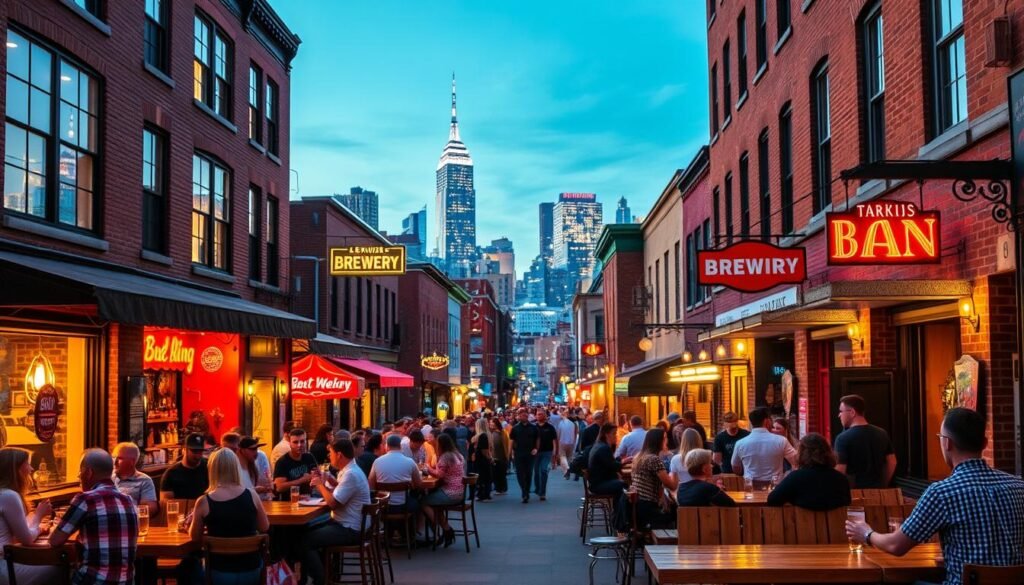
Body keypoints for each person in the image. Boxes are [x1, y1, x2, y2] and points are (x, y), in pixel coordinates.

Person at [846, 408, 1024, 585]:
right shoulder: (1018, 486)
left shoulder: (942, 492)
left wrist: (866, 533)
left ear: (947, 443)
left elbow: (896, 546)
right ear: (985, 443)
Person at [51, 449, 139, 585]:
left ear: (89, 473)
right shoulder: (129, 501)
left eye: (80, 472)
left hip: (93, 581)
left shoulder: (85, 499)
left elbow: (55, 540)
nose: (79, 477)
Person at [189, 448, 269, 585]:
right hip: (251, 569)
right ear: (235, 468)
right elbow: (264, 526)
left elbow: (195, 537)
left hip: (219, 571)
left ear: (212, 470)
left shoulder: (203, 502)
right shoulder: (252, 495)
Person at [303, 439, 371, 585]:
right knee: (307, 530)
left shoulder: (351, 474)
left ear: (339, 455)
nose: (329, 456)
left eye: (331, 453)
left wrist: (320, 485)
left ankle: (321, 579)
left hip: (350, 528)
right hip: (351, 524)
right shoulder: (350, 471)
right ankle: (327, 575)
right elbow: (342, 492)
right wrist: (331, 481)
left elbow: (333, 503)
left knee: (305, 541)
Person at [0, 448, 61, 585]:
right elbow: (27, 539)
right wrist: (39, 516)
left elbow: (18, 534)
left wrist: (37, 526)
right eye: (27, 464)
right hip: (4, 568)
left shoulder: (4, 494)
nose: (32, 468)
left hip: (6, 561)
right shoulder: (9, 495)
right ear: (16, 469)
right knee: (63, 567)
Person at [767, 433, 851, 510]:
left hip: (803, 525)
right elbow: (847, 502)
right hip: (836, 526)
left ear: (802, 454)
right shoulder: (841, 479)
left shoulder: (796, 477)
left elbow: (772, 500)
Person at [833, 394, 897, 488]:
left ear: (852, 412)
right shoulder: (882, 433)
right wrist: (883, 484)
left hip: (854, 494)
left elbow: (840, 470)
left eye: (841, 411)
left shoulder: (842, 438)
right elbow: (892, 462)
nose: (839, 415)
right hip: (878, 492)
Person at [731, 407, 798, 486]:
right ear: (767, 421)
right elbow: (796, 460)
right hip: (775, 488)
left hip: (751, 487)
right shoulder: (781, 441)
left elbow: (736, 468)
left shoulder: (740, 443)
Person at [422, 434, 466, 547]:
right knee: (436, 505)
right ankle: (446, 530)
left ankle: (439, 528)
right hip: (460, 491)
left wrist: (428, 468)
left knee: (423, 502)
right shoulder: (457, 454)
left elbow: (439, 474)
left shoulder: (445, 457)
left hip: (450, 493)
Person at [628, 429, 677, 529]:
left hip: (638, 507)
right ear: (658, 441)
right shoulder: (653, 459)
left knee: (671, 508)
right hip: (648, 509)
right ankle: (670, 543)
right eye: (665, 438)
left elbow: (654, 482)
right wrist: (675, 467)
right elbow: (672, 486)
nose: (667, 441)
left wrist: (662, 495)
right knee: (677, 514)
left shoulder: (639, 457)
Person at [368, 434, 423, 513]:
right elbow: (418, 484)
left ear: (387, 446)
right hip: (404, 505)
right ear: (400, 446)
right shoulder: (409, 462)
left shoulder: (377, 461)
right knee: (420, 503)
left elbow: (370, 484)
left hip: (383, 506)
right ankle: (415, 525)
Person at [112, 442, 158, 516]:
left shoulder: (144, 480)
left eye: (119, 458)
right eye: (113, 457)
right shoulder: (107, 478)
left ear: (132, 462)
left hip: (131, 523)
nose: (115, 462)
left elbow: (151, 508)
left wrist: (124, 512)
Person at [160, 432, 210, 500]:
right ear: (184, 450)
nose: (198, 456)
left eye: (200, 451)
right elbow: (166, 504)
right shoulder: (171, 474)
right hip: (182, 509)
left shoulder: (209, 467)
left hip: (204, 509)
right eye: (194, 451)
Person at [273, 428, 318, 500]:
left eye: (302, 441)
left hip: (309, 500)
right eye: (295, 442)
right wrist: (301, 480)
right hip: (289, 503)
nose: (299, 445)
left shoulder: (309, 457)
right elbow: (279, 487)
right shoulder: (282, 462)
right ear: (289, 443)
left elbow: (316, 475)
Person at [509, 409, 539, 503]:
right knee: (520, 473)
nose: (524, 417)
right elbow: (511, 440)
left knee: (529, 473)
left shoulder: (533, 427)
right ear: (518, 416)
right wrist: (510, 453)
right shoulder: (515, 428)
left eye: (525, 415)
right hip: (518, 453)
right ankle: (524, 491)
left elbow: (537, 439)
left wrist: (536, 449)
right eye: (521, 415)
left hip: (530, 454)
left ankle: (526, 491)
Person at [586, 423, 625, 497]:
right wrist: (623, 462)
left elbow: (610, 462)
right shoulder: (604, 448)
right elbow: (613, 466)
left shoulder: (599, 445)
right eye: (614, 433)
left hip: (596, 482)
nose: (616, 436)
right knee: (623, 484)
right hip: (598, 485)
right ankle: (621, 508)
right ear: (607, 435)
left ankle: (618, 507)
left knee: (622, 484)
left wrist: (619, 460)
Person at [533, 410, 558, 501]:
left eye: (541, 414)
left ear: (545, 416)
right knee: (536, 472)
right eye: (538, 414)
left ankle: (542, 492)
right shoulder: (533, 427)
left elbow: (555, 441)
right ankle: (538, 488)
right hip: (536, 453)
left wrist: (555, 454)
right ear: (535, 416)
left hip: (547, 452)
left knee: (543, 470)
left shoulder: (550, 427)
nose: (539, 416)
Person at [470, 418, 493, 501]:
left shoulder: (479, 436)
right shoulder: (485, 435)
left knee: (481, 477)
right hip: (483, 460)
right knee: (485, 477)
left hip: (479, 460)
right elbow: (486, 450)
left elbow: (483, 450)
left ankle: (482, 494)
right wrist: (490, 458)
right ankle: (485, 494)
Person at [489, 418, 510, 495]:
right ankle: (499, 488)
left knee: (501, 473)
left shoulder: (503, 433)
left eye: (492, 423)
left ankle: (502, 488)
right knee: (495, 473)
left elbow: (506, 444)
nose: (491, 425)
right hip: (494, 456)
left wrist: (507, 455)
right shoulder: (491, 433)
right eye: (490, 423)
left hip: (501, 455)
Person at [557, 409, 578, 478]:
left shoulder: (561, 423)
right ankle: (568, 470)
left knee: (562, 456)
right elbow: (576, 434)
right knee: (569, 457)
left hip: (562, 442)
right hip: (571, 442)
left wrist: (557, 441)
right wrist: (574, 442)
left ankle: (566, 470)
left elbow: (558, 433)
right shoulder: (574, 424)